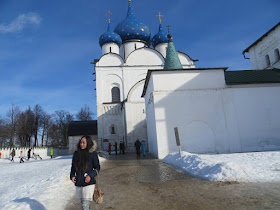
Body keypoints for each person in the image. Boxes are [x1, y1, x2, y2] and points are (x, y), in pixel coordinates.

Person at [70, 136, 100, 210]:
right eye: (81, 142)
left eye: (84, 143)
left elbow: (97, 168)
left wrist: (90, 176)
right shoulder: (76, 154)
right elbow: (73, 166)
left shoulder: (92, 154)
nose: (81, 144)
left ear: (88, 143)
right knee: (84, 204)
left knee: (85, 205)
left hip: (88, 182)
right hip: (79, 181)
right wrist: (72, 176)